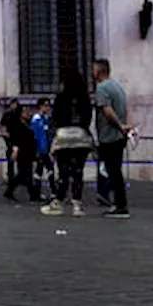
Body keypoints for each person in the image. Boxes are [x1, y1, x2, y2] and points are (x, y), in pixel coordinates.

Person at [41, 70, 94, 218]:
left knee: (63, 171)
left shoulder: (61, 97)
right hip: (81, 136)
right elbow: (88, 117)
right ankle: (77, 204)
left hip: (63, 136)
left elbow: (56, 118)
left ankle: (58, 201)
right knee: (78, 171)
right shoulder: (84, 97)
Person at [93, 59, 133, 219]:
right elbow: (127, 108)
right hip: (119, 136)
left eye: (94, 69)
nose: (92, 73)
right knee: (114, 170)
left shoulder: (102, 88)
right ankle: (117, 203)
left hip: (109, 136)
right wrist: (127, 125)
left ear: (99, 71)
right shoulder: (118, 87)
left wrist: (119, 125)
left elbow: (108, 111)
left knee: (112, 171)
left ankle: (119, 206)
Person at [3, 104, 37, 202]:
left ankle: (32, 193)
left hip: (29, 150)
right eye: (24, 111)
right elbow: (15, 138)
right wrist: (15, 149)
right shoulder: (16, 124)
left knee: (28, 172)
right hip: (21, 150)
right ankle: (10, 190)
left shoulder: (28, 123)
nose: (27, 113)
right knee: (23, 173)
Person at [30, 97, 55, 200]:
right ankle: (53, 191)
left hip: (45, 148)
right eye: (46, 105)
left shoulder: (46, 119)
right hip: (41, 149)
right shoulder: (37, 120)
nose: (48, 108)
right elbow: (36, 136)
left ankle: (35, 192)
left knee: (39, 171)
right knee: (49, 170)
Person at [0, 98, 21, 197]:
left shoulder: (18, 114)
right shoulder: (7, 115)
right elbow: (1, 125)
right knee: (10, 161)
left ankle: (15, 180)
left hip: (17, 138)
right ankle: (11, 179)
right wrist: (5, 134)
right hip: (10, 139)